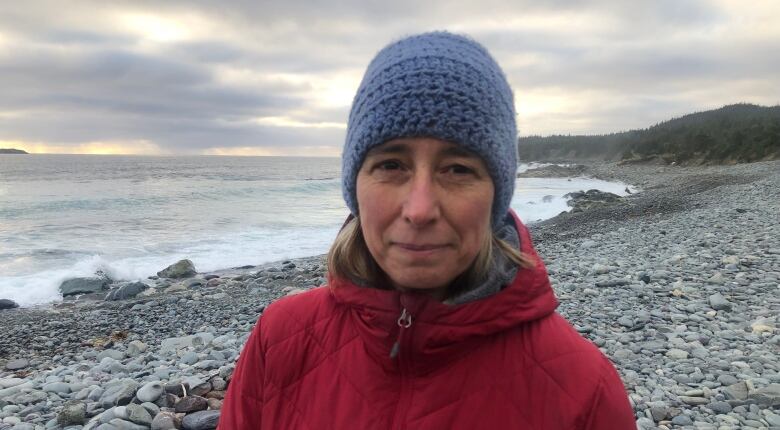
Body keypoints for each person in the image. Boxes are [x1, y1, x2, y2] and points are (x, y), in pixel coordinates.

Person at [219, 31, 635, 429]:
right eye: (391, 165)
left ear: (497, 193)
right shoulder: (281, 339)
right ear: (354, 185)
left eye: (458, 169)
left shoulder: (585, 390)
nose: (419, 210)